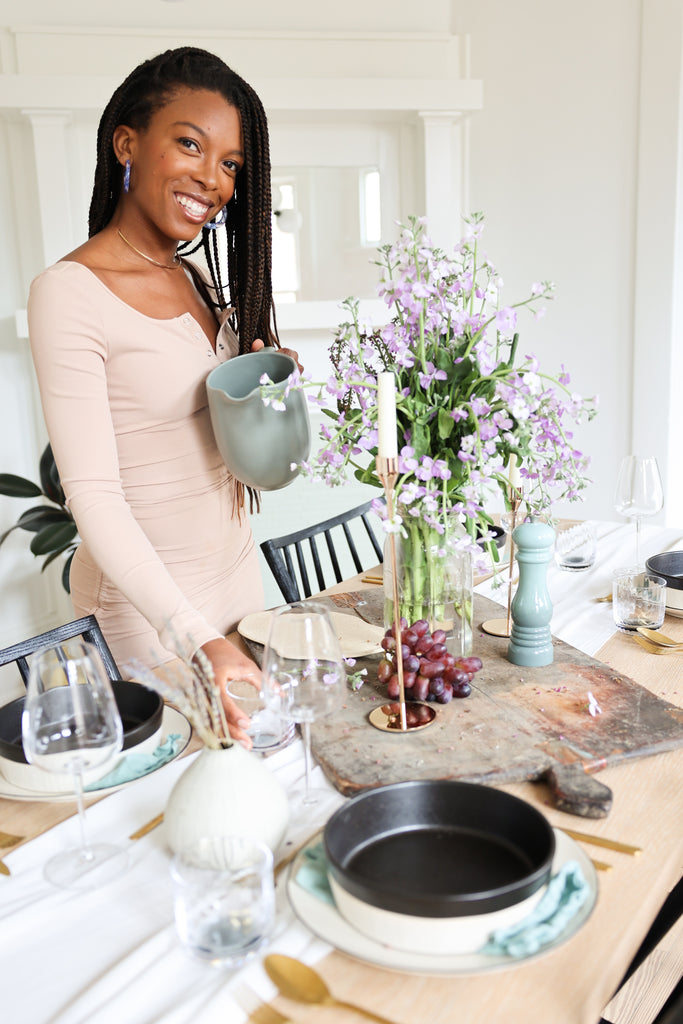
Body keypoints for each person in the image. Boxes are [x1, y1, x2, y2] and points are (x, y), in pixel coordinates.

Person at [27, 47, 298, 745]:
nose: (212, 179)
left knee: (251, 782)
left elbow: (214, 455)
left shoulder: (202, 284)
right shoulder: (69, 293)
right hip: (146, 613)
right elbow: (94, 498)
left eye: (231, 164)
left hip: (236, 581)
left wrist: (267, 395)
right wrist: (196, 637)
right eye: (189, 144)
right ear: (127, 142)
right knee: (163, 815)